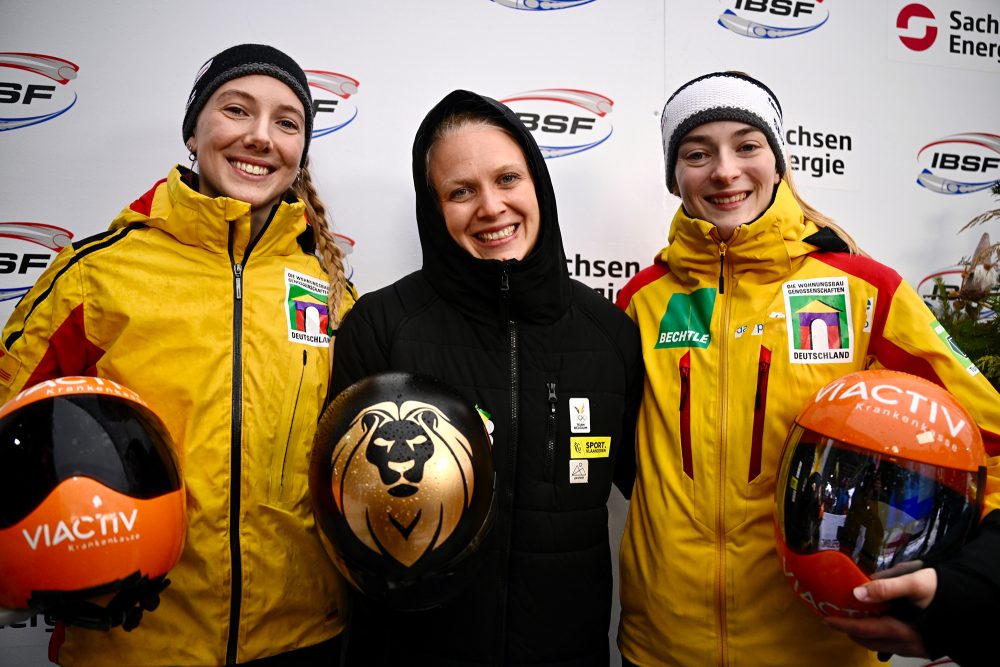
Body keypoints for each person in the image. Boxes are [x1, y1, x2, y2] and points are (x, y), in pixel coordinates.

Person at [614, 71, 1000, 666]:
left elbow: (989, 441)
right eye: (697, 153)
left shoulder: (864, 290)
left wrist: (972, 579)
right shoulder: (642, 301)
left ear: (778, 160)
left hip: (818, 649)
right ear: (674, 175)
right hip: (664, 645)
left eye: (747, 145)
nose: (724, 170)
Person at [0, 44, 356, 666]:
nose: (259, 137)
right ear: (194, 130)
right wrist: (29, 566)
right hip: (135, 642)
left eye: (286, 121)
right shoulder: (98, 274)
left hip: (303, 638)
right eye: (236, 110)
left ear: (302, 148)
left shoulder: (331, 290)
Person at [329, 89, 642, 666]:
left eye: (507, 179)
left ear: (537, 185)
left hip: (564, 653)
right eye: (461, 191)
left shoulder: (609, 335)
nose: (491, 207)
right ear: (434, 208)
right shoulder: (381, 326)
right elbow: (340, 513)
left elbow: (665, 497)